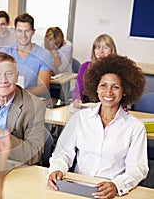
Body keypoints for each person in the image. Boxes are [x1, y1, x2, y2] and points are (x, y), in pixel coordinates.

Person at [48, 55, 148, 198]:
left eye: (116, 87)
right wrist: (57, 169)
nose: (108, 92)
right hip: (77, 188)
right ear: (95, 87)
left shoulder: (135, 127)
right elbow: (62, 154)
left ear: (125, 90)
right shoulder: (80, 118)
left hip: (111, 191)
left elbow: (138, 169)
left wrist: (117, 185)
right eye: (103, 85)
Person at [0, 13, 52, 98]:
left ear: (33, 32)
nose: (23, 35)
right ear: (15, 31)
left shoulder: (44, 55)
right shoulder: (4, 53)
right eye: (20, 31)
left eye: (27, 31)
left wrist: (19, 94)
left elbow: (42, 87)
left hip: (33, 101)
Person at [72, 34, 117, 108]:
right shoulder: (85, 67)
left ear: (112, 50)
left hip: (110, 107)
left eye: (105, 48)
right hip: (87, 107)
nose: (101, 51)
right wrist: (77, 99)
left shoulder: (117, 69)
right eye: (97, 48)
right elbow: (78, 89)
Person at [44, 27, 73, 103]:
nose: (56, 46)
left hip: (62, 80)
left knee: (53, 97)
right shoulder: (43, 46)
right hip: (48, 79)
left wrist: (54, 52)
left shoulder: (67, 47)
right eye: (52, 44)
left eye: (57, 44)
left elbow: (61, 68)